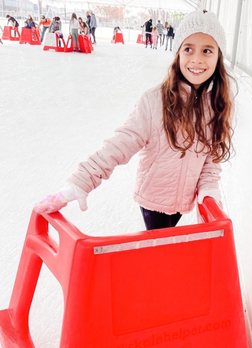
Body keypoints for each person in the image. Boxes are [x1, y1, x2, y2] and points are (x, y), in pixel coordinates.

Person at [35, 10, 234, 231]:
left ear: (218, 57)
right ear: (178, 54)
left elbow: (210, 160)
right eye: (188, 49)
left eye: (207, 50)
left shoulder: (217, 105)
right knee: (160, 251)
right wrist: (81, 181)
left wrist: (209, 188)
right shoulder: (154, 101)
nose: (197, 59)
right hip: (154, 199)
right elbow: (120, 144)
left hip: (183, 200)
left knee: (166, 247)